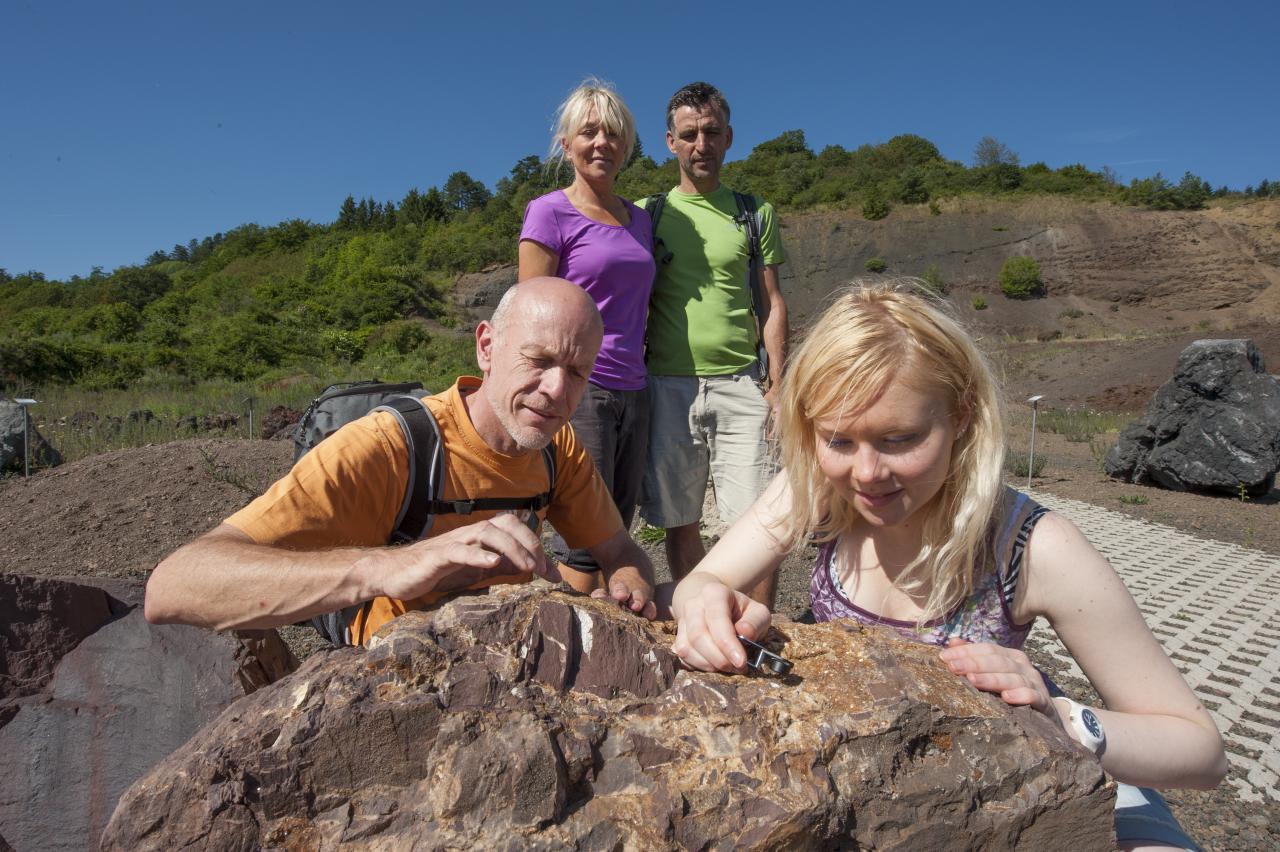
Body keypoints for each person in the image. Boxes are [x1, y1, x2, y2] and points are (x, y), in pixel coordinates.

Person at [670, 281, 1227, 850]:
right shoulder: (816, 489)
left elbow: (1202, 752)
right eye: (838, 439)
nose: (865, 474)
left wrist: (1059, 718)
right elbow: (699, 583)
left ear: (960, 416)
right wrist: (705, 608)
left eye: (899, 439)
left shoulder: (1032, 546)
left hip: (1014, 758)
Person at [145, 278, 657, 645]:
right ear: (487, 346)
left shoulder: (555, 447)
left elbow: (619, 550)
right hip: (395, 679)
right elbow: (174, 586)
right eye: (540, 361)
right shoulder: (391, 446)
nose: (557, 391)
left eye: (577, 372)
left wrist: (630, 585)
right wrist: (388, 567)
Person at [640, 81, 789, 608]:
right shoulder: (647, 215)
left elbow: (769, 303)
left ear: (729, 138)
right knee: (679, 520)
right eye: (689, 134)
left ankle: (757, 626)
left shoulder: (754, 212)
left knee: (759, 524)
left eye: (710, 132)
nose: (700, 144)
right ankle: (700, 620)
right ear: (670, 142)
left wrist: (776, 386)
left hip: (742, 386)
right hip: (665, 387)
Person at [518, 79, 654, 588]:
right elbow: (529, 309)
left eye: (614, 133)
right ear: (566, 144)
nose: (602, 143)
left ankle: (609, 646)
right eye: (589, 132)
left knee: (618, 527)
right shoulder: (549, 211)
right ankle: (569, 648)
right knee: (580, 538)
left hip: (636, 388)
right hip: (582, 389)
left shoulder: (640, 219)